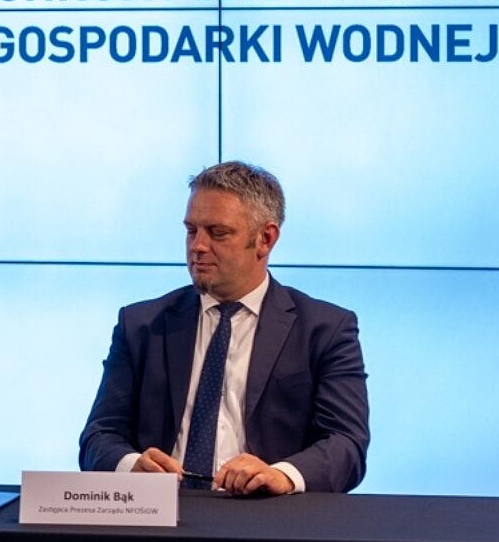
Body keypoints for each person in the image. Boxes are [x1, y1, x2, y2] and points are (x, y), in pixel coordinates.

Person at [79, 161, 369, 494]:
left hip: (266, 514)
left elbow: (346, 443)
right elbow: (99, 437)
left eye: (218, 233)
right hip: (161, 513)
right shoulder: (141, 325)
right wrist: (132, 466)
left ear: (265, 239)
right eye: (191, 230)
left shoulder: (325, 330)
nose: (197, 246)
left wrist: (281, 475)